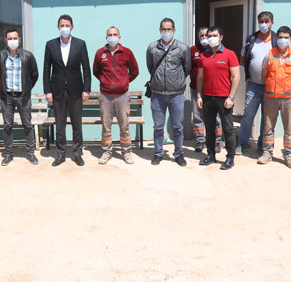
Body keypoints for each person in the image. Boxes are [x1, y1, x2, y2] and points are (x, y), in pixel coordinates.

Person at [43, 14, 91, 167]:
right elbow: (46, 69)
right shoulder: (50, 45)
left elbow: (86, 68)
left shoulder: (80, 44)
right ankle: (60, 154)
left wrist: (86, 90)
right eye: (62, 25)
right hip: (57, 91)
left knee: (77, 124)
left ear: (72, 27)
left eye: (67, 25)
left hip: (76, 91)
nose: (65, 28)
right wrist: (47, 91)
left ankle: (77, 154)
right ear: (58, 27)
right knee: (60, 125)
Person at [257, 26, 291, 169]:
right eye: (280, 37)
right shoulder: (269, 54)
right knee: (268, 127)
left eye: (286, 38)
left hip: (289, 99)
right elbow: (264, 75)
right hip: (270, 97)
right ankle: (267, 153)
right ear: (276, 38)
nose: (283, 40)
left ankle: (289, 155)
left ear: (290, 39)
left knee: (289, 128)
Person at [146, 17, 191, 166]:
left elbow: (187, 68)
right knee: (158, 127)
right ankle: (158, 153)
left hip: (176, 94)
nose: (166, 32)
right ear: (160, 30)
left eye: (169, 29)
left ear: (174, 30)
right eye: (164, 29)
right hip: (157, 94)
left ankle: (178, 154)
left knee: (177, 127)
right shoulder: (152, 47)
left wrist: (176, 81)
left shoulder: (182, 48)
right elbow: (150, 67)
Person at [93, 26, 139, 165]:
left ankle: (126, 152)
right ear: (106, 37)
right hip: (105, 96)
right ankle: (106, 152)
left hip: (122, 96)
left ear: (119, 37)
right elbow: (96, 71)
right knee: (106, 126)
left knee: (124, 126)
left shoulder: (127, 52)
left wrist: (124, 82)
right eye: (110, 34)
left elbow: (135, 71)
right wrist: (105, 81)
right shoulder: (100, 53)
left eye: (115, 34)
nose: (112, 37)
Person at [195, 26, 240, 170]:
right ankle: (211, 155)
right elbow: (200, 77)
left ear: (221, 37)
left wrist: (231, 97)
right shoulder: (204, 55)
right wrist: (199, 95)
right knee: (209, 128)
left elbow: (236, 77)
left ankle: (230, 157)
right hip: (208, 98)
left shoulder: (229, 54)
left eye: (214, 35)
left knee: (228, 129)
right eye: (209, 36)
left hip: (224, 98)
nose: (211, 38)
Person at [0, 29, 39, 166]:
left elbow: (34, 75)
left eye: (15, 38)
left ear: (19, 39)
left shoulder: (27, 56)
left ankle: (31, 152)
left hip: (23, 97)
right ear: (6, 40)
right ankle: (8, 154)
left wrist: (26, 89)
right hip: (6, 97)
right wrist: (4, 89)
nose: (12, 41)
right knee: (7, 125)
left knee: (27, 124)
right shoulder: (0, 56)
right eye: (10, 38)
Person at [236, 11, 277, 155]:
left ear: (272, 23)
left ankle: (262, 145)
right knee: (248, 114)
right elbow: (243, 59)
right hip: (253, 85)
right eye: (261, 22)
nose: (264, 24)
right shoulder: (251, 39)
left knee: (267, 117)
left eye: (267, 21)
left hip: (270, 86)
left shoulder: (277, 40)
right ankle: (243, 143)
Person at [190, 26, 223, 153]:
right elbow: (187, 67)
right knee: (198, 116)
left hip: (213, 90)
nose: (204, 38)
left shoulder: (215, 50)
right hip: (196, 89)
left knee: (216, 117)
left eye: (206, 36)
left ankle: (216, 141)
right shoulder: (192, 50)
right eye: (202, 36)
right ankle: (200, 141)